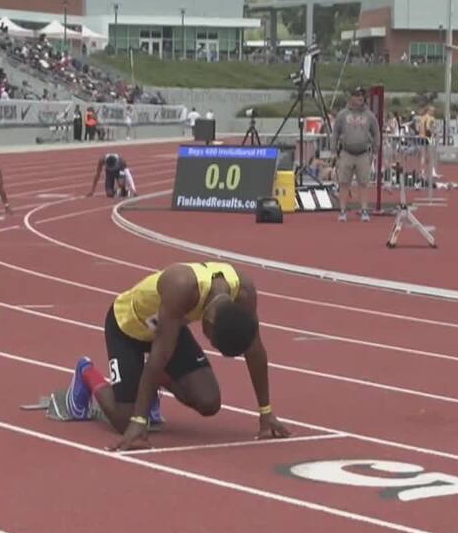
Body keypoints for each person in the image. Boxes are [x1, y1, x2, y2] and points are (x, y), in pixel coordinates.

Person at [65, 261, 290, 451]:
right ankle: (86, 373)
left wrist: (266, 413)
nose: (207, 343)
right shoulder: (181, 287)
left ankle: (152, 385)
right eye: (211, 341)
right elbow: (159, 355)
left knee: (209, 401)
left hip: (168, 327)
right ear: (210, 322)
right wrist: (139, 422)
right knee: (126, 421)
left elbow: (255, 350)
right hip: (126, 327)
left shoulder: (244, 292)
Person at [331, 86, 380, 222]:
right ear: (351, 97)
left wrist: (375, 150)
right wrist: (334, 150)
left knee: (363, 183)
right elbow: (335, 132)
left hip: (363, 153)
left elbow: (376, 132)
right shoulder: (342, 114)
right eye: (357, 95)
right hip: (346, 152)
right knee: (344, 183)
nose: (360, 98)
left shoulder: (369, 115)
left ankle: (364, 210)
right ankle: (342, 211)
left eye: (362, 96)